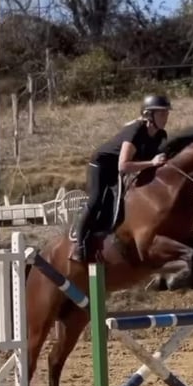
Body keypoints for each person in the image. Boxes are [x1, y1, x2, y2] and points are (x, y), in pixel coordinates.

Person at [71, 94, 172, 262]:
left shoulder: (161, 135)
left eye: (167, 113)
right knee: (96, 200)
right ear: (149, 115)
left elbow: (157, 162)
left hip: (121, 167)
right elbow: (123, 166)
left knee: (120, 201)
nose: (166, 117)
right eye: (162, 114)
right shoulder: (135, 131)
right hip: (102, 165)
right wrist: (152, 163)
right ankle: (79, 245)